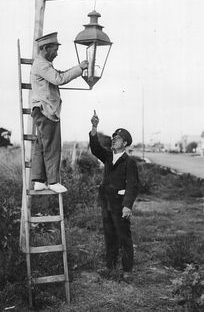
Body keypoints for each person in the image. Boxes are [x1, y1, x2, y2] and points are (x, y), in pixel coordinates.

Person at [31, 32, 88, 193]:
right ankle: (53, 181)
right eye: (55, 49)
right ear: (45, 48)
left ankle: (39, 180)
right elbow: (59, 79)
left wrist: (75, 69)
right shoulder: (42, 65)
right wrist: (80, 68)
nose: (57, 53)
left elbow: (58, 75)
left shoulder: (43, 64)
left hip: (41, 110)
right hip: (46, 111)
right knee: (52, 147)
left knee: (41, 146)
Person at [89, 110, 139, 280]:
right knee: (110, 236)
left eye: (117, 139)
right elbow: (95, 148)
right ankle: (110, 267)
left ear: (125, 143)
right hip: (106, 204)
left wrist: (127, 206)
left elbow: (132, 185)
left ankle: (127, 271)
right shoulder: (108, 156)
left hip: (119, 206)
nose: (113, 140)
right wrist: (94, 127)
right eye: (113, 138)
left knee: (124, 237)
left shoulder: (129, 162)